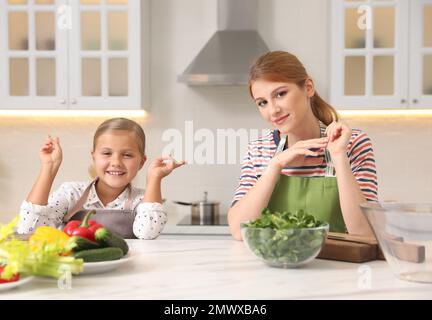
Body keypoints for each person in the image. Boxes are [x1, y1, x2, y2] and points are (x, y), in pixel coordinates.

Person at [228, 51, 378, 240]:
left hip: (337, 267)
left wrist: (339, 157)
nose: (273, 110)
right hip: (277, 265)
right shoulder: (259, 150)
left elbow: (366, 234)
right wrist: (275, 166)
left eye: (280, 94)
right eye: (262, 103)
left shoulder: (352, 143)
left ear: (308, 87)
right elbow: (238, 231)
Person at [16, 117, 185, 239]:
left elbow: (147, 233)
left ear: (141, 162)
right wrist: (49, 168)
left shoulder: (143, 201)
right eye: (106, 153)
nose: (116, 162)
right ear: (94, 156)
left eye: (127, 155)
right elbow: (28, 230)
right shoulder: (71, 194)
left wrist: (155, 178)